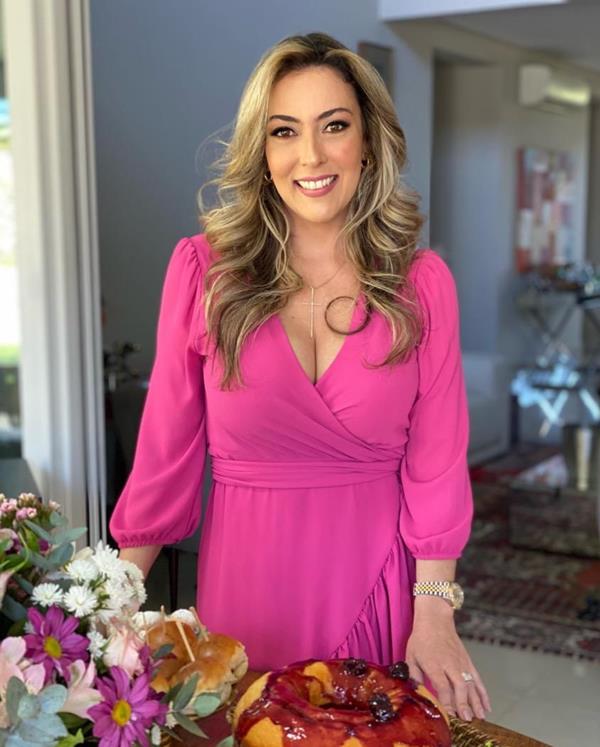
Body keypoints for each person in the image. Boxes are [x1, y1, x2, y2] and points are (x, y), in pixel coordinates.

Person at [110, 31, 491, 723]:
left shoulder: (421, 284)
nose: (310, 156)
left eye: (333, 126)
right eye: (284, 131)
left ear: (368, 142)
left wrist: (435, 614)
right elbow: (165, 455)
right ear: (262, 151)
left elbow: (437, 463)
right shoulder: (204, 273)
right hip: (243, 596)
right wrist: (112, 603)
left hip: (376, 591)